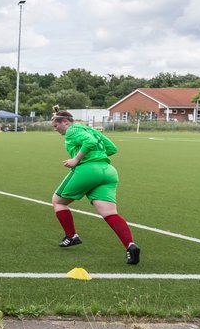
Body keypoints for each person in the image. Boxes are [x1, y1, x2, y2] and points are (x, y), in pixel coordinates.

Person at [50, 110, 140, 265]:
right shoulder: (89, 129)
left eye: (55, 125)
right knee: (109, 212)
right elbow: (111, 148)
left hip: (88, 170)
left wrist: (76, 159)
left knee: (58, 201)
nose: (55, 128)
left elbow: (90, 142)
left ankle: (71, 236)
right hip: (108, 171)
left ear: (65, 121)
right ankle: (130, 246)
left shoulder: (73, 130)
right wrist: (97, 158)